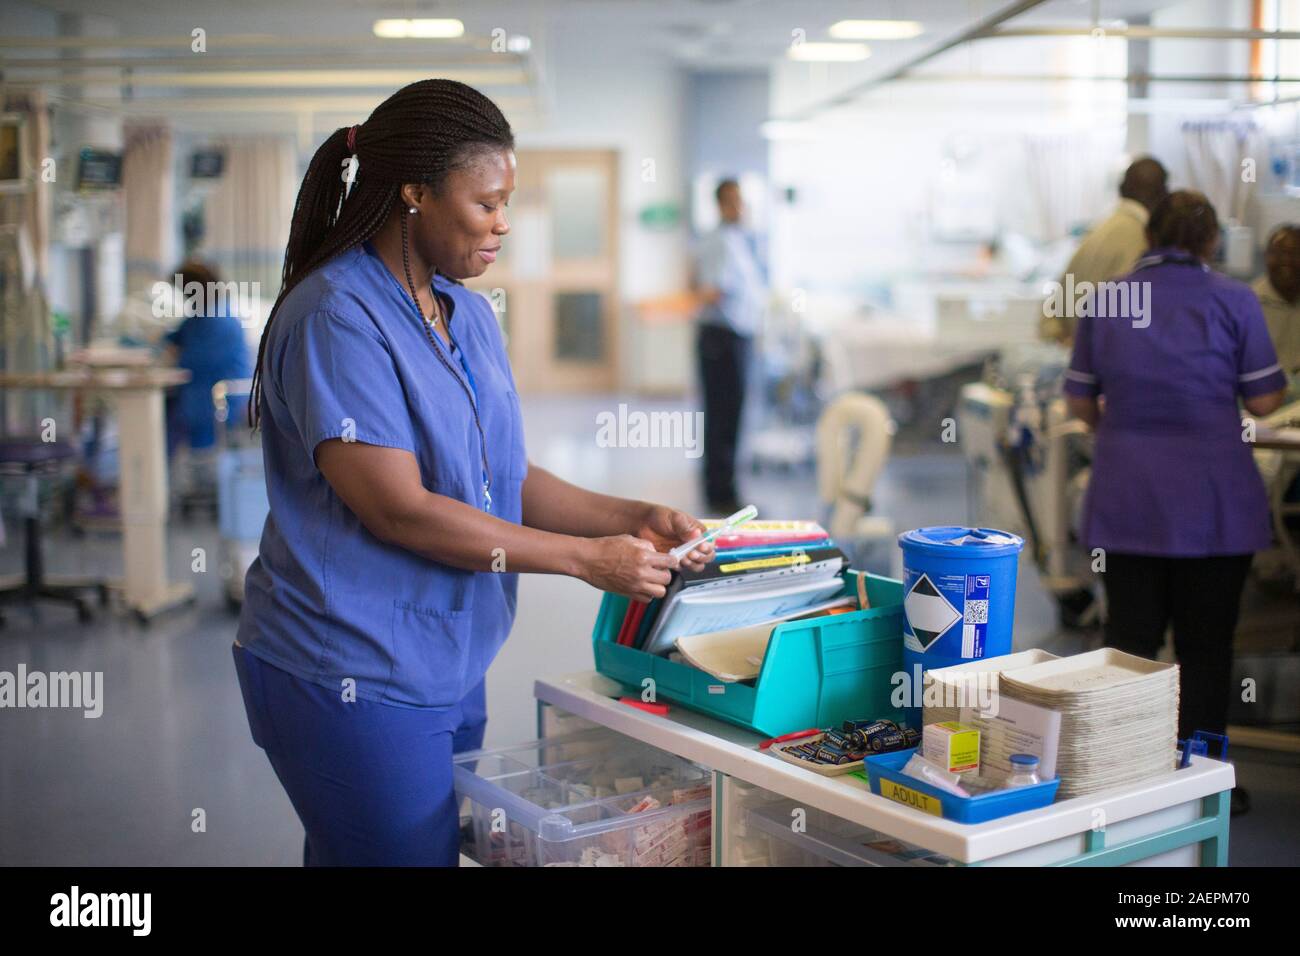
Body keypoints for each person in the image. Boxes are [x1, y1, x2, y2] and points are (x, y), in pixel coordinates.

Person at [233, 79, 716, 867]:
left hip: (449, 658)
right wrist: (582, 561)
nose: (502, 226)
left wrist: (629, 517)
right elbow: (401, 511)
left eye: (508, 204)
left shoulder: (466, 313)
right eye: (486, 204)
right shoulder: (336, 315)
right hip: (349, 669)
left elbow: (501, 474)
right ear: (415, 192)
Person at [1064, 191, 1287, 813]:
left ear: (1149, 239)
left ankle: (1125, 780)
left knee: (1131, 644)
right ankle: (1207, 780)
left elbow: (1079, 403)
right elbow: (1266, 401)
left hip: (1127, 497)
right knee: (1207, 645)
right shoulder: (1237, 300)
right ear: (1211, 242)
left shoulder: (1106, 300)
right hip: (1214, 502)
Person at [693, 178, 765, 514]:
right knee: (722, 417)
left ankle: (726, 488)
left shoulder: (738, 239)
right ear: (720, 204)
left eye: (742, 200)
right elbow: (711, 289)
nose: (740, 207)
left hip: (736, 335)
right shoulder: (718, 241)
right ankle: (721, 494)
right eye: (733, 201)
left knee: (732, 416)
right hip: (721, 337)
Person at [1042, 156, 1168, 343]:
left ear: (1121, 189)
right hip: (1100, 361)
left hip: (1080, 354)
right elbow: (1128, 323)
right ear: (1162, 193)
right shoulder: (1139, 239)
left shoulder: (1099, 231)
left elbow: (1053, 312)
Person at [163, 259, 252, 453]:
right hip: (203, 389)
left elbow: (191, 361)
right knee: (164, 409)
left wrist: (172, 354)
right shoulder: (201, 314)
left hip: (217, 397)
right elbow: (176, 337)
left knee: (167, 416)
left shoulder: (218, 319)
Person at [1252, 224, 1300, 377]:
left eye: (1294, 253)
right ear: (1265, 257)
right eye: (1278, 253)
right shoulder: (1247, 305)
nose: (1286, 261)